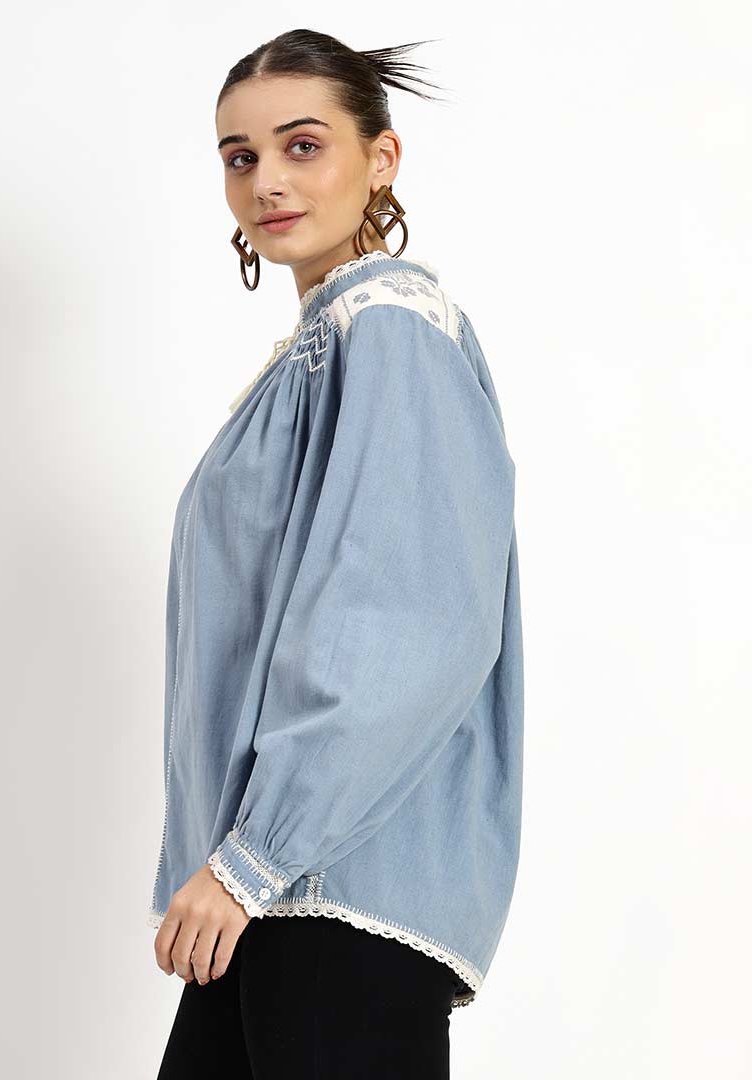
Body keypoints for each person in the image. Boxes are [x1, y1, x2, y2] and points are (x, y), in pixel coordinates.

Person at [149, 28, 524, 1078]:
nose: (266, 179)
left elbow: (406, 627)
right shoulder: (323, 348)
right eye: (240, 156)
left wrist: (254, 856)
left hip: (324, 890)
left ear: (382, 158)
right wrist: (241, 866)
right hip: (272, 896)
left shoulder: (389, 327)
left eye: (302, 145)